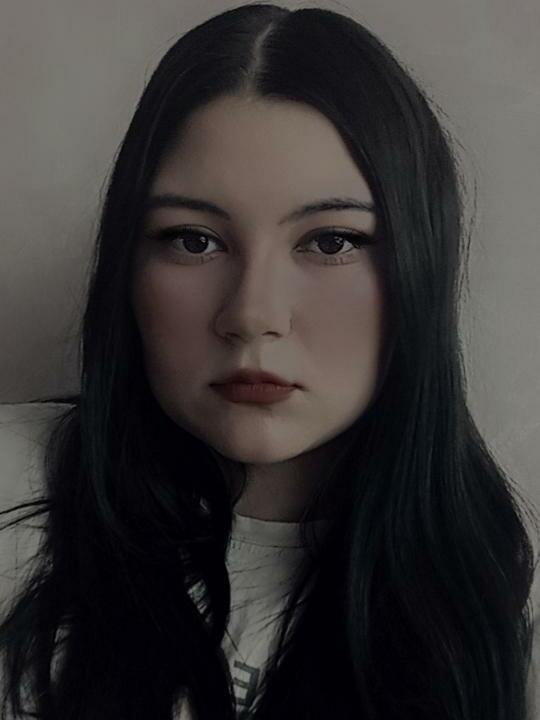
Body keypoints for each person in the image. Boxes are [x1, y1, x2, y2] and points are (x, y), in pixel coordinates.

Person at [0, 3, 538, 719]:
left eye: (332, 242)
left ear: (421, 266)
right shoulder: (11, 484)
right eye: (193, 240)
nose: (253, 314)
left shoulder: (507, 594)